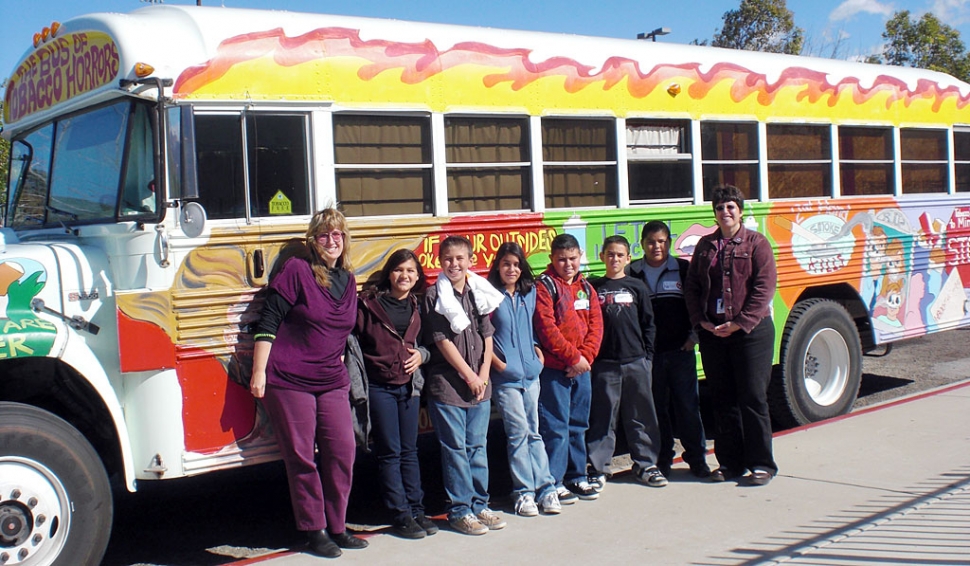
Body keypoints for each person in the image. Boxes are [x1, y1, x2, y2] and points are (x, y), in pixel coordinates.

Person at [250, 207, 368, 559]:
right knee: (302, 456)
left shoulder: (348, 280)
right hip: (289, 379)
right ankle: (313, 530)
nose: (331, 241)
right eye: (323, 235)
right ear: (313, 242)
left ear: (344, 239)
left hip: (331, 378)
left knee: (342, 452)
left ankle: (338, 526)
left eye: (337, 235)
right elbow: (268, 319)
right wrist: (259, 372)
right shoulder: (298, 271)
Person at [684, 185, 778, 486]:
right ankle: (730, 464)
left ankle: (762, 464)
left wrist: (740, 322)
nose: (725, 212)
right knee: (723, 399)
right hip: (714, 333)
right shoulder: (705, 245)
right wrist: (702, 323)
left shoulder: (757, 243)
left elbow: (764, 288)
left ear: (740, 210)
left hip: (751, 332)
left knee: (752, 396)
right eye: (720, 207)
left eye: (730, 207)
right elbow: (693, 287)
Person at [422, 235, 505, 535]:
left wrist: (483, 373)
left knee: (477, 447)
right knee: (455, 449)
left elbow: (487, 334)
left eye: (460, 258)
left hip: (480, 385)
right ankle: (460, 510)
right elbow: (442, 341)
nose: (454, 264)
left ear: (471, 260)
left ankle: (481, 504)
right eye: (447, 259)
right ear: (439, 261)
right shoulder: (435, 296)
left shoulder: (478, 291)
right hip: (449, 386)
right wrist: (469, 376)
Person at [355, 249, 438, 539]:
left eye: (411, 271)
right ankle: (400, 514)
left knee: (410, 450)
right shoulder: (368, 306)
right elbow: (352, 343)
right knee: (390, 452)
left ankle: (417, 509)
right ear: (390, 273)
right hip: (380, 387)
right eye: (399, 269)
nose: (405, 275)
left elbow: (431, 344)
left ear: (417, 277)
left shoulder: (418, 305)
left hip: (409, 386)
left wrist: (422, 356)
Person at [629, 221, 711, 479]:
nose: (657, 246)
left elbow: (699, 304)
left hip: (680, 351)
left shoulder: (683, 269)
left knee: (687, 406)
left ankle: (697, 459)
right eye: (651, 241)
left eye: (662, 241)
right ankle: (663, 459)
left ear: (669, 243)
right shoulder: (633, 273)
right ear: (642, 244)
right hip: (650, 356)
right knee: (656, 409)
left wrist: (694, 336)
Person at [487, 242, 562, 517]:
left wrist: (538, 353)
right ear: (498, 266)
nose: (512, 269)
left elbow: (534, 326)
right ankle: (523, 493)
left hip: (531, 374)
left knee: (534, 432)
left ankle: (546, 489)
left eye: (517, 264)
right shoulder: (490, 296)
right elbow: (485, 334)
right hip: (506, 379)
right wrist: (497, 363)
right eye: (507, 264)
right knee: (517, 434)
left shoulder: (528, 293)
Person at [587, 235, 664, 490]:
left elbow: (649, 324)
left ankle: (646, 465)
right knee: (603, 417)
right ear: (602, 257)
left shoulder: (637, 287)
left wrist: (648, 359)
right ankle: (599, 468)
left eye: (620, 255)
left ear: (628, 258)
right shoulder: (593, 287)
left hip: (636, 361)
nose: (615, 259)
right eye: (610, 254)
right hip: (605, 364)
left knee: (640, 415)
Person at [534, 233, 603, 503]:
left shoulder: (586, 287)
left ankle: (578, 477)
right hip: (555, 370)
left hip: (582, 370)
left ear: (580, 257)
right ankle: (555, 481)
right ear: (552, 259)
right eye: (561, 259)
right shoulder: (545, 287)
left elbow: (596, 325)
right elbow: (546, 327)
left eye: (573, 258)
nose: (568, 264)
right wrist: (573, 359)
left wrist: (585, 359)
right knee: (555, 427)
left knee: (578, 425)